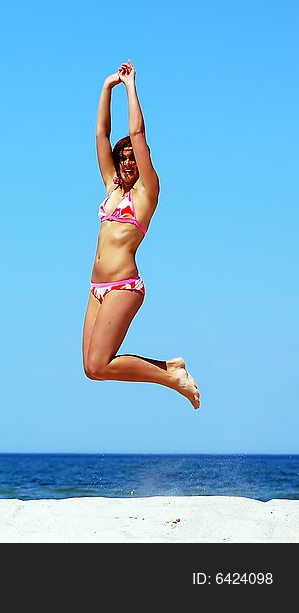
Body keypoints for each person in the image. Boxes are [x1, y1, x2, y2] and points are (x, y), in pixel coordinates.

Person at [82, 60, 200, 409]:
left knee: (101, 362)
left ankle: (170, 375)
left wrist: (131, 87)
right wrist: (107, 87)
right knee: (92, 368)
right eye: (124, 158)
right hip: (96, 288)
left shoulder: (146, 194)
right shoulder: (111, 188)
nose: (129, 162)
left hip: (123, 286)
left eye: (134, 158)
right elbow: (102, 135)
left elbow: (138, 135)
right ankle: (172, 369)